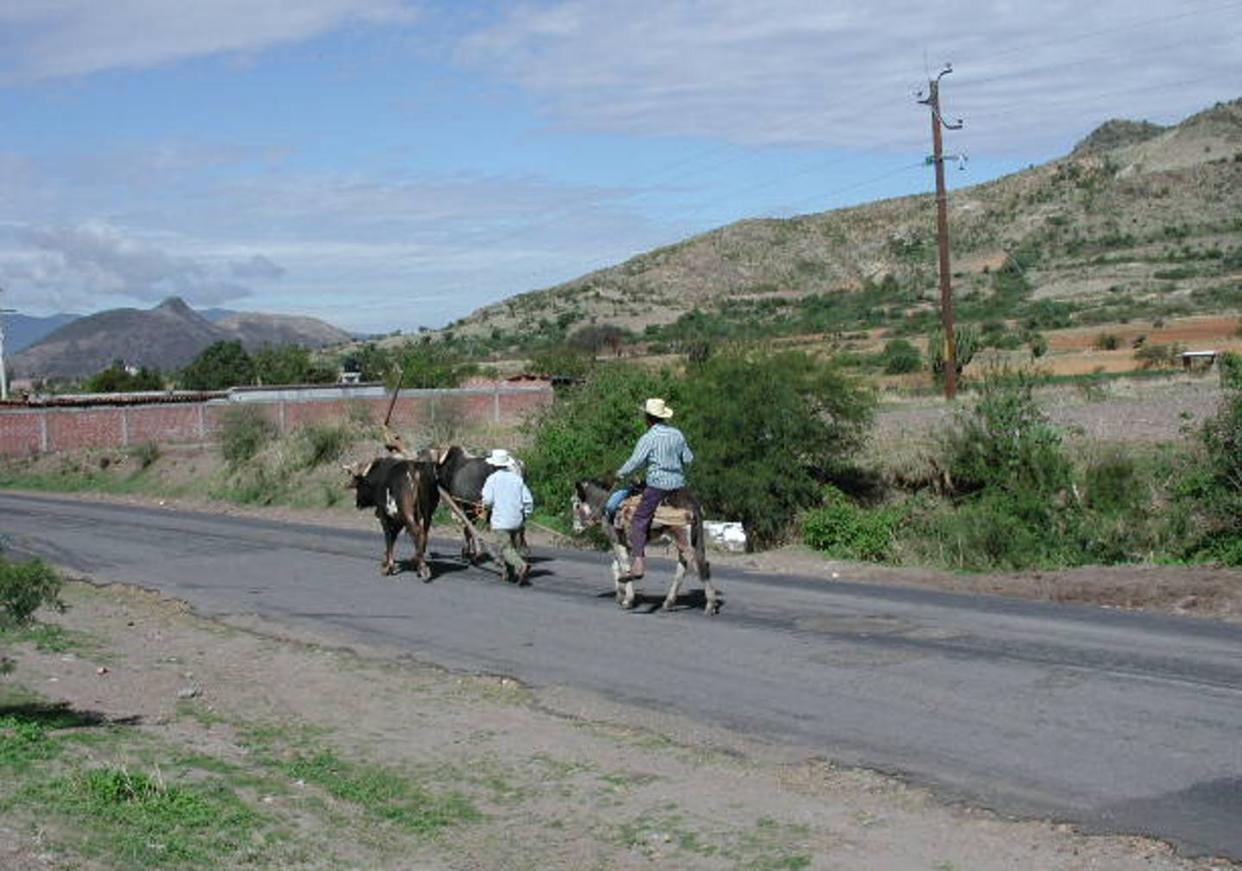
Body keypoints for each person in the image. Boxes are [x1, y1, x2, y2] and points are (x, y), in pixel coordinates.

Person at [615, 398, 693, 580]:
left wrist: (620, 473)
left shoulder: (648, 438)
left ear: (647, 418)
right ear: (663, 417)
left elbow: (635, 462)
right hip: (679, 486)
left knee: (639, 520)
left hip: (657, 486)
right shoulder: (677, 434)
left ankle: (639, 563)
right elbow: (689, 458)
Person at [480, 448, 535, 585]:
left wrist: (483, 511)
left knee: (505, 548)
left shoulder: (491, 479)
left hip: (501, 521)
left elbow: (487, 500)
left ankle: (521, 566)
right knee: (513, 547)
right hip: (517, 520)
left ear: (493, 465)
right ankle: (509, 572)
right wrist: (525, 515)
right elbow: (528, 500)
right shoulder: (517, 479)